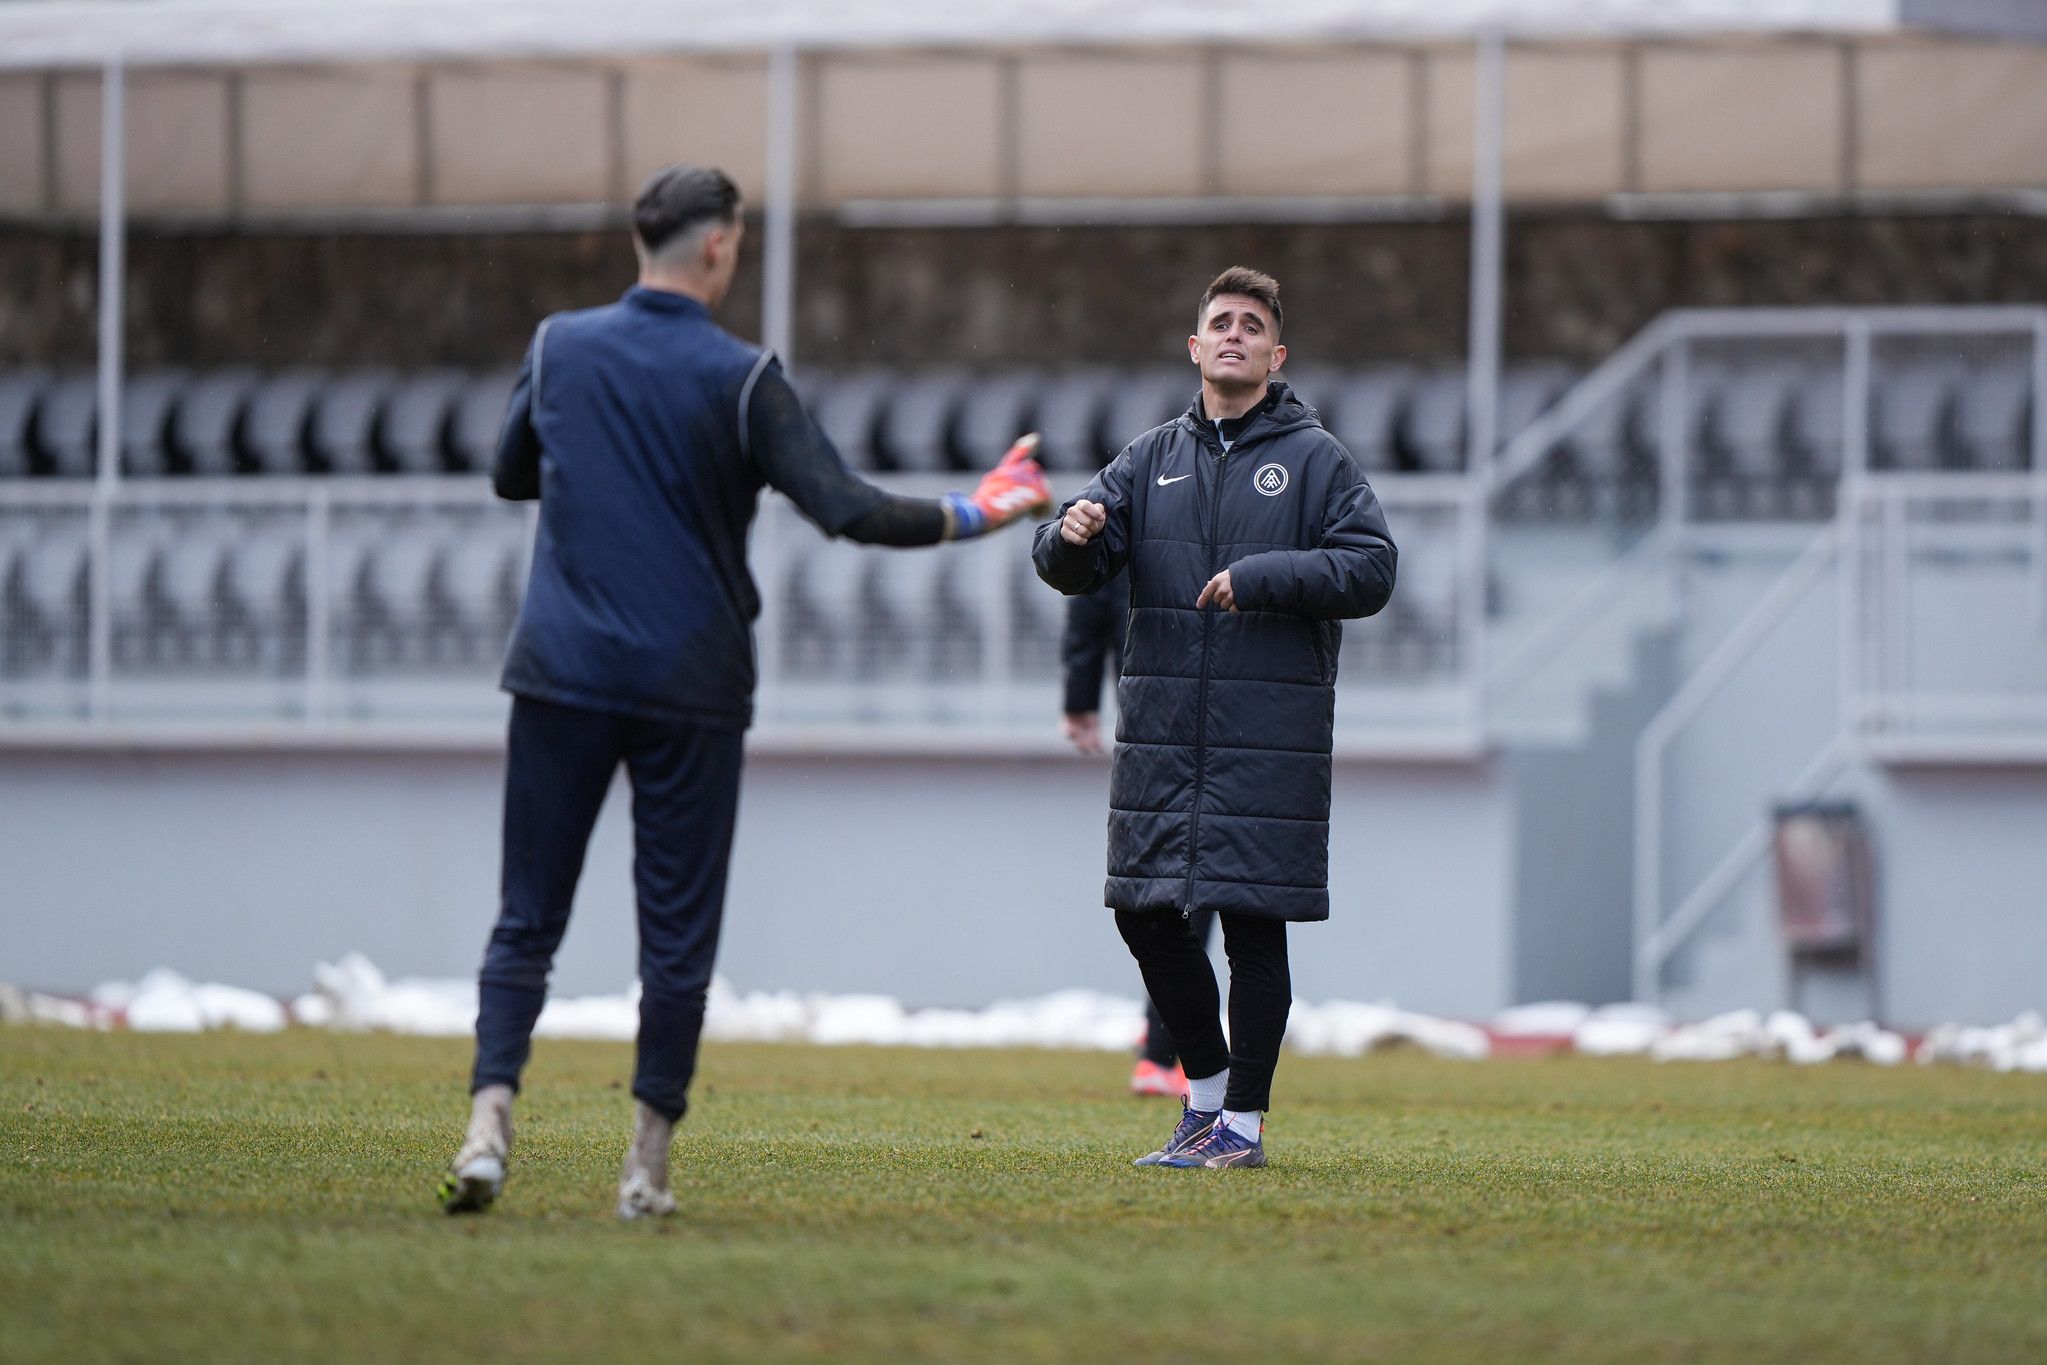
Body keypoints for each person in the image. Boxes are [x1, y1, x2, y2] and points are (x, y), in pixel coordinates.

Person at [439, 165, 1051, 1219]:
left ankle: (488, 1122)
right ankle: (645, 1167)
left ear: (642, 239)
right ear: (719, 246)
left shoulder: (557, 347)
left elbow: (510, 473)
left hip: (562, 670)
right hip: (691, 679)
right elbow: (847, 509)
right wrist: (982, 507)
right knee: (675, 931)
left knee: (527, 913)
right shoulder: (742, 377)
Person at [1032, 266, 1396, 1170]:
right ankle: (1203, 1101)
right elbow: (1072, 564)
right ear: (1195, 347)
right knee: (1143, 913)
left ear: (1277, 354)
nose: (1235, 333)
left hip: (1266, 736)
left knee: (1250, 926)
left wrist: (1263, 576)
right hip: (1160, 735)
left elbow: (1372, 568)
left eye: (1252, 325)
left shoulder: (1316, 460)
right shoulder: (1148, 457)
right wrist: (1066, 538)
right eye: (1221, 322)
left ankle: (1242, 1124)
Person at [1060, 573, 1218, 1098]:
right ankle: (1164, 1049)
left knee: (1170, 881)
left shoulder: (1132, 523)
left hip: (1149, 718)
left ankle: (1165, 1040)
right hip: (1203, 717)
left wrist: (1080, 696)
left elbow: (1090, 593)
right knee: (1193, 882)